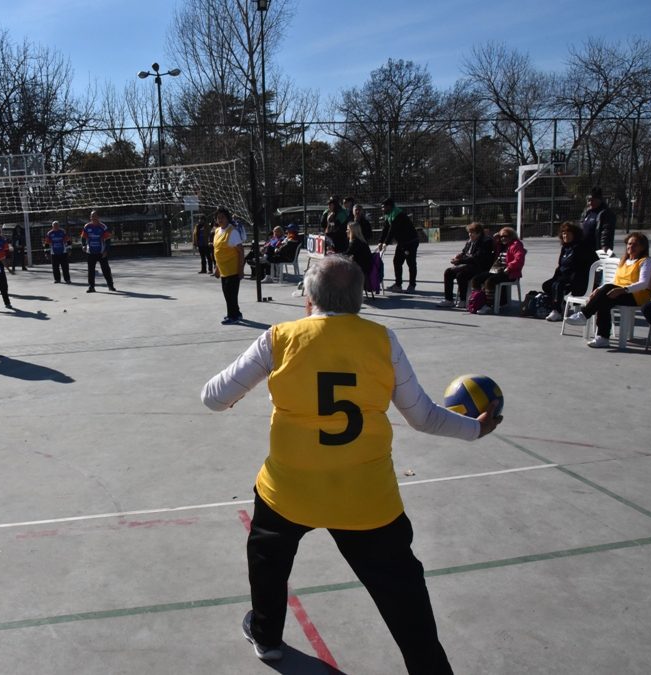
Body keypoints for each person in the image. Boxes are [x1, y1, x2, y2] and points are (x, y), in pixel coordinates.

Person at [201, 255, 501, 671]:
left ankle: (267, 637)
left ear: (308, 297)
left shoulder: (280, 338)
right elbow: (424, 416)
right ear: (360, 298)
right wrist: (474, 429)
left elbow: (212, 397)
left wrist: (243, 394)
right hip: (366, 497)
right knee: (403, 594)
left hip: (290, 490)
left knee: (267, 559)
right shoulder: (382, 340)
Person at [566, 232, 651, 348]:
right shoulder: (624, 261)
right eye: (629, 244)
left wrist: (623, 290)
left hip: (636, 295)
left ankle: (585, 316)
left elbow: (644, 283)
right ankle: (602, 337)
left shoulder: (646, 261)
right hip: (618, 292)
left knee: (606, 293)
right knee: (604, 298)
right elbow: (614, 281)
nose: (631, 247)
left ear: (642, 247)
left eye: (635, 245)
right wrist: (598, 289)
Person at [539, 222, 599, 322]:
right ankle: (560, 303)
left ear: (575, 234)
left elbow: (594, 263)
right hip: (564, 276)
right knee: (547, 285)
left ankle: (557, 311)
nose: (565, 235)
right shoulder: (565, 248)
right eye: (563, 233)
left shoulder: (582, 247)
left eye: (568, 233)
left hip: (578, 278)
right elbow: (561, 265)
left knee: (558, 285)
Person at [437, 222, 495, 308]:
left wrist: (460, 261)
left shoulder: (486, 242)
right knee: (448, 272)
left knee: (462, 275)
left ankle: (463, 300)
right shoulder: (470, 241)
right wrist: (459, 256)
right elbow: (465, 252)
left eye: (472, 233)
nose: (470, 234)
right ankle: (449, 299)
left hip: (479, 267)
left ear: (479, 233)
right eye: (469, 232)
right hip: (468, 265)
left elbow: (477, 257)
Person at [469, 227, 526, 315]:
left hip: (510, 273)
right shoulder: (500, 245)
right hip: (496, 270)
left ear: (511, 236)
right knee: (476, 279)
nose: (503, 238)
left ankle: (488, 305)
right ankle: (477, 300)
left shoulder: (516, 245)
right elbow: (490, 244)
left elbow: (519, 260)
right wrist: (495, 237)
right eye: (501, 236)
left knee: (490, 281)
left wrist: (509, 267)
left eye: (505, 236)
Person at [377, 197, 418, 293]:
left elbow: (392, 231)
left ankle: (412, 285)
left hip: (410, 242)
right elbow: (386, 229)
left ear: (389, 207)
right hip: (402, 243)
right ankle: (398, 285)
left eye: (384, 207)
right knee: (397, 261)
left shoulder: (398, 215)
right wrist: (380, 241)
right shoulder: (389, 214)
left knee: (411, 263)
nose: (382, 209)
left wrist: (385, 243)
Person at [213, 206, 244, 324]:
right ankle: (236, 313)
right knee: (227, 294)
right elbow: (217, 250)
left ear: (228, 218)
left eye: (223, 217)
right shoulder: (217, 231)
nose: (220, 220)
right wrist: (217, 268)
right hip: (223, 269)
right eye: (218, 217)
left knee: (231, 294)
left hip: (233, 269)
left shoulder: (233, 232)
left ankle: (233, 316)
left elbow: (241, 251)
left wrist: (240, 269)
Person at [81, 210, 116, 293]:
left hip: (101, 252)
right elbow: (83, 237)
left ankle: (110, 285)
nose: (94, 218)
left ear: (98, 217)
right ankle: (91, 287)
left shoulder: (103, 227)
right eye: (92, 216)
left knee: (106, 270)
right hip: (91, 252)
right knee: (91, 270)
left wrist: (106, 251)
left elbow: (107, 240)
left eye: (95, 216)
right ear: (90, 218)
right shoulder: (87, 226)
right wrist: (83, 245)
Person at [579, 187, 616, 255]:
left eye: (592, 200)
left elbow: (606, 231)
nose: (589, 203)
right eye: (588, 200)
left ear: (599, 200)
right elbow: (581, 227)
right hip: (584, 248)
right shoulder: (586, 212)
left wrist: (604, 245)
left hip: (597, 250)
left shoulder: (606, 213)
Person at [345, 220, 373, 284]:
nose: (346, 231)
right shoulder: (360, 240)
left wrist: (333, 254)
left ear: (353, 231)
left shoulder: (355, 242)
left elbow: (347, 254)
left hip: (362, 269)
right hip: (365, 267)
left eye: (348, 229)